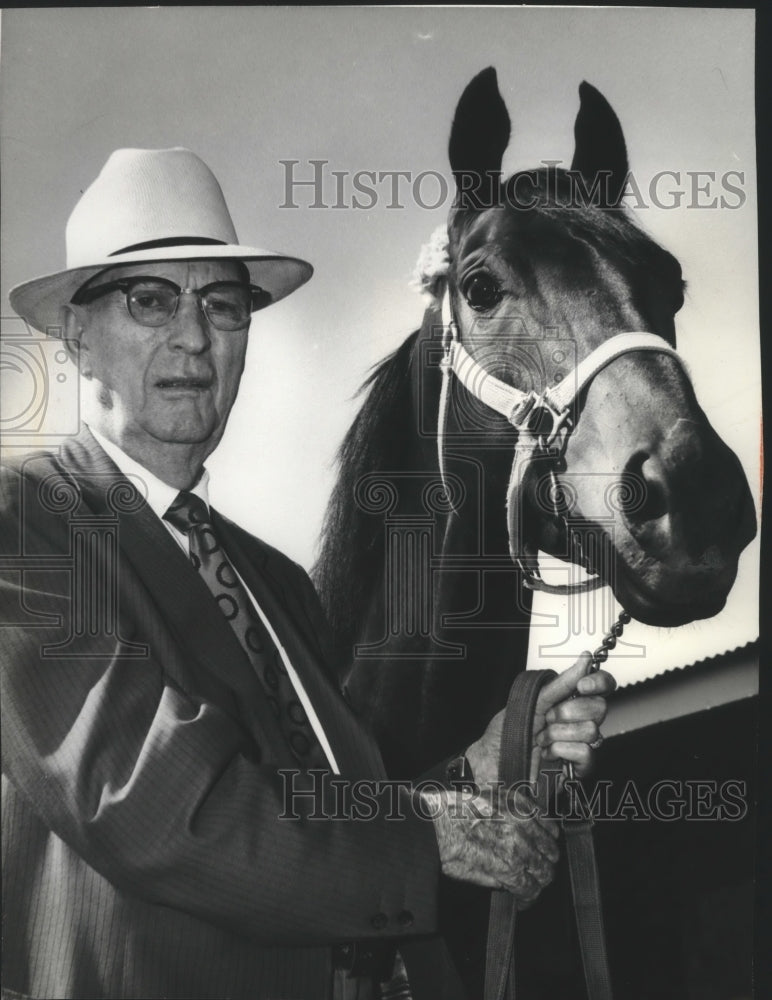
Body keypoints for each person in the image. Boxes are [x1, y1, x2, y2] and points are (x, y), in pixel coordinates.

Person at [1, 147, 615, 1000]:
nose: (194, 336)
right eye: (151, 300)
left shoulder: (275, 581)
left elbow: (333, 811)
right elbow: (155, 807)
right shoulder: (25, 521)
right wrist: (432, 840)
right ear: (76, 334)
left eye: (223, 304)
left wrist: (479, 768)